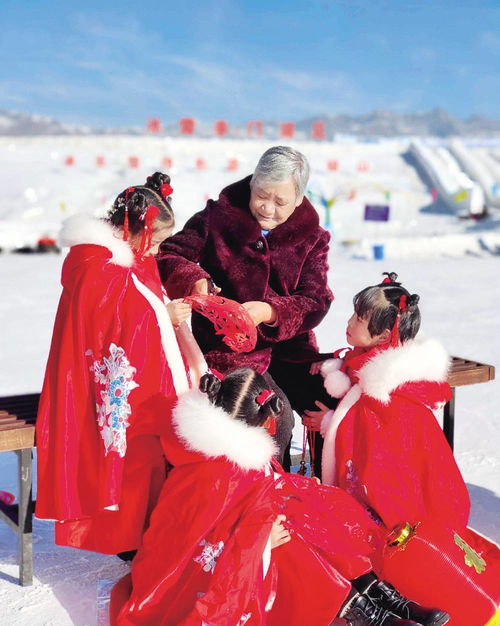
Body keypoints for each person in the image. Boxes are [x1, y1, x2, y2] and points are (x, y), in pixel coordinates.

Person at [110, 368, 450, 626]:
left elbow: (257, 498)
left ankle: (374, 591)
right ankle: (358, 609)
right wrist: (259, 541)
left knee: (314, 508)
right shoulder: (220, 468)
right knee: (293, 542)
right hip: (187, 573)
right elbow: (200, 535)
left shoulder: (228, 450)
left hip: (245, 538)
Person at [303, 272, 500, 626]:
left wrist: (330, 422)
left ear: (382, 335)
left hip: (401, 514)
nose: (348, 323)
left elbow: (376, 460)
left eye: (358, 319)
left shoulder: (386, 396)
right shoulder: (378, 370)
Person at [36, 172, 197, 556]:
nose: (156, 251)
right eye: (155, 241)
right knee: (127, 454)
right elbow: (116, 318)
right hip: (104, 384)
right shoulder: (94, 263)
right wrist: (162, 311)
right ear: (134, 227)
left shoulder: (130, 257)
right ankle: (124, 537)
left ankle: (145, 530)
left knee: (145, 454)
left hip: (135, 379)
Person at [156, 146, 336, 473]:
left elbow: (316, 299)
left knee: (332, 402)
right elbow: (168, 255)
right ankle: (261, 500)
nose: (267, 208)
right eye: (261, 196)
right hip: (229, 349)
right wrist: (196, 279)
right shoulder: (217, 218)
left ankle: (329, 494)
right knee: (272, 417)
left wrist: (270, 312)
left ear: (298, 198)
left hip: (290, 349)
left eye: (280, 202)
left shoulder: (312, 237)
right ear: (252, 183)